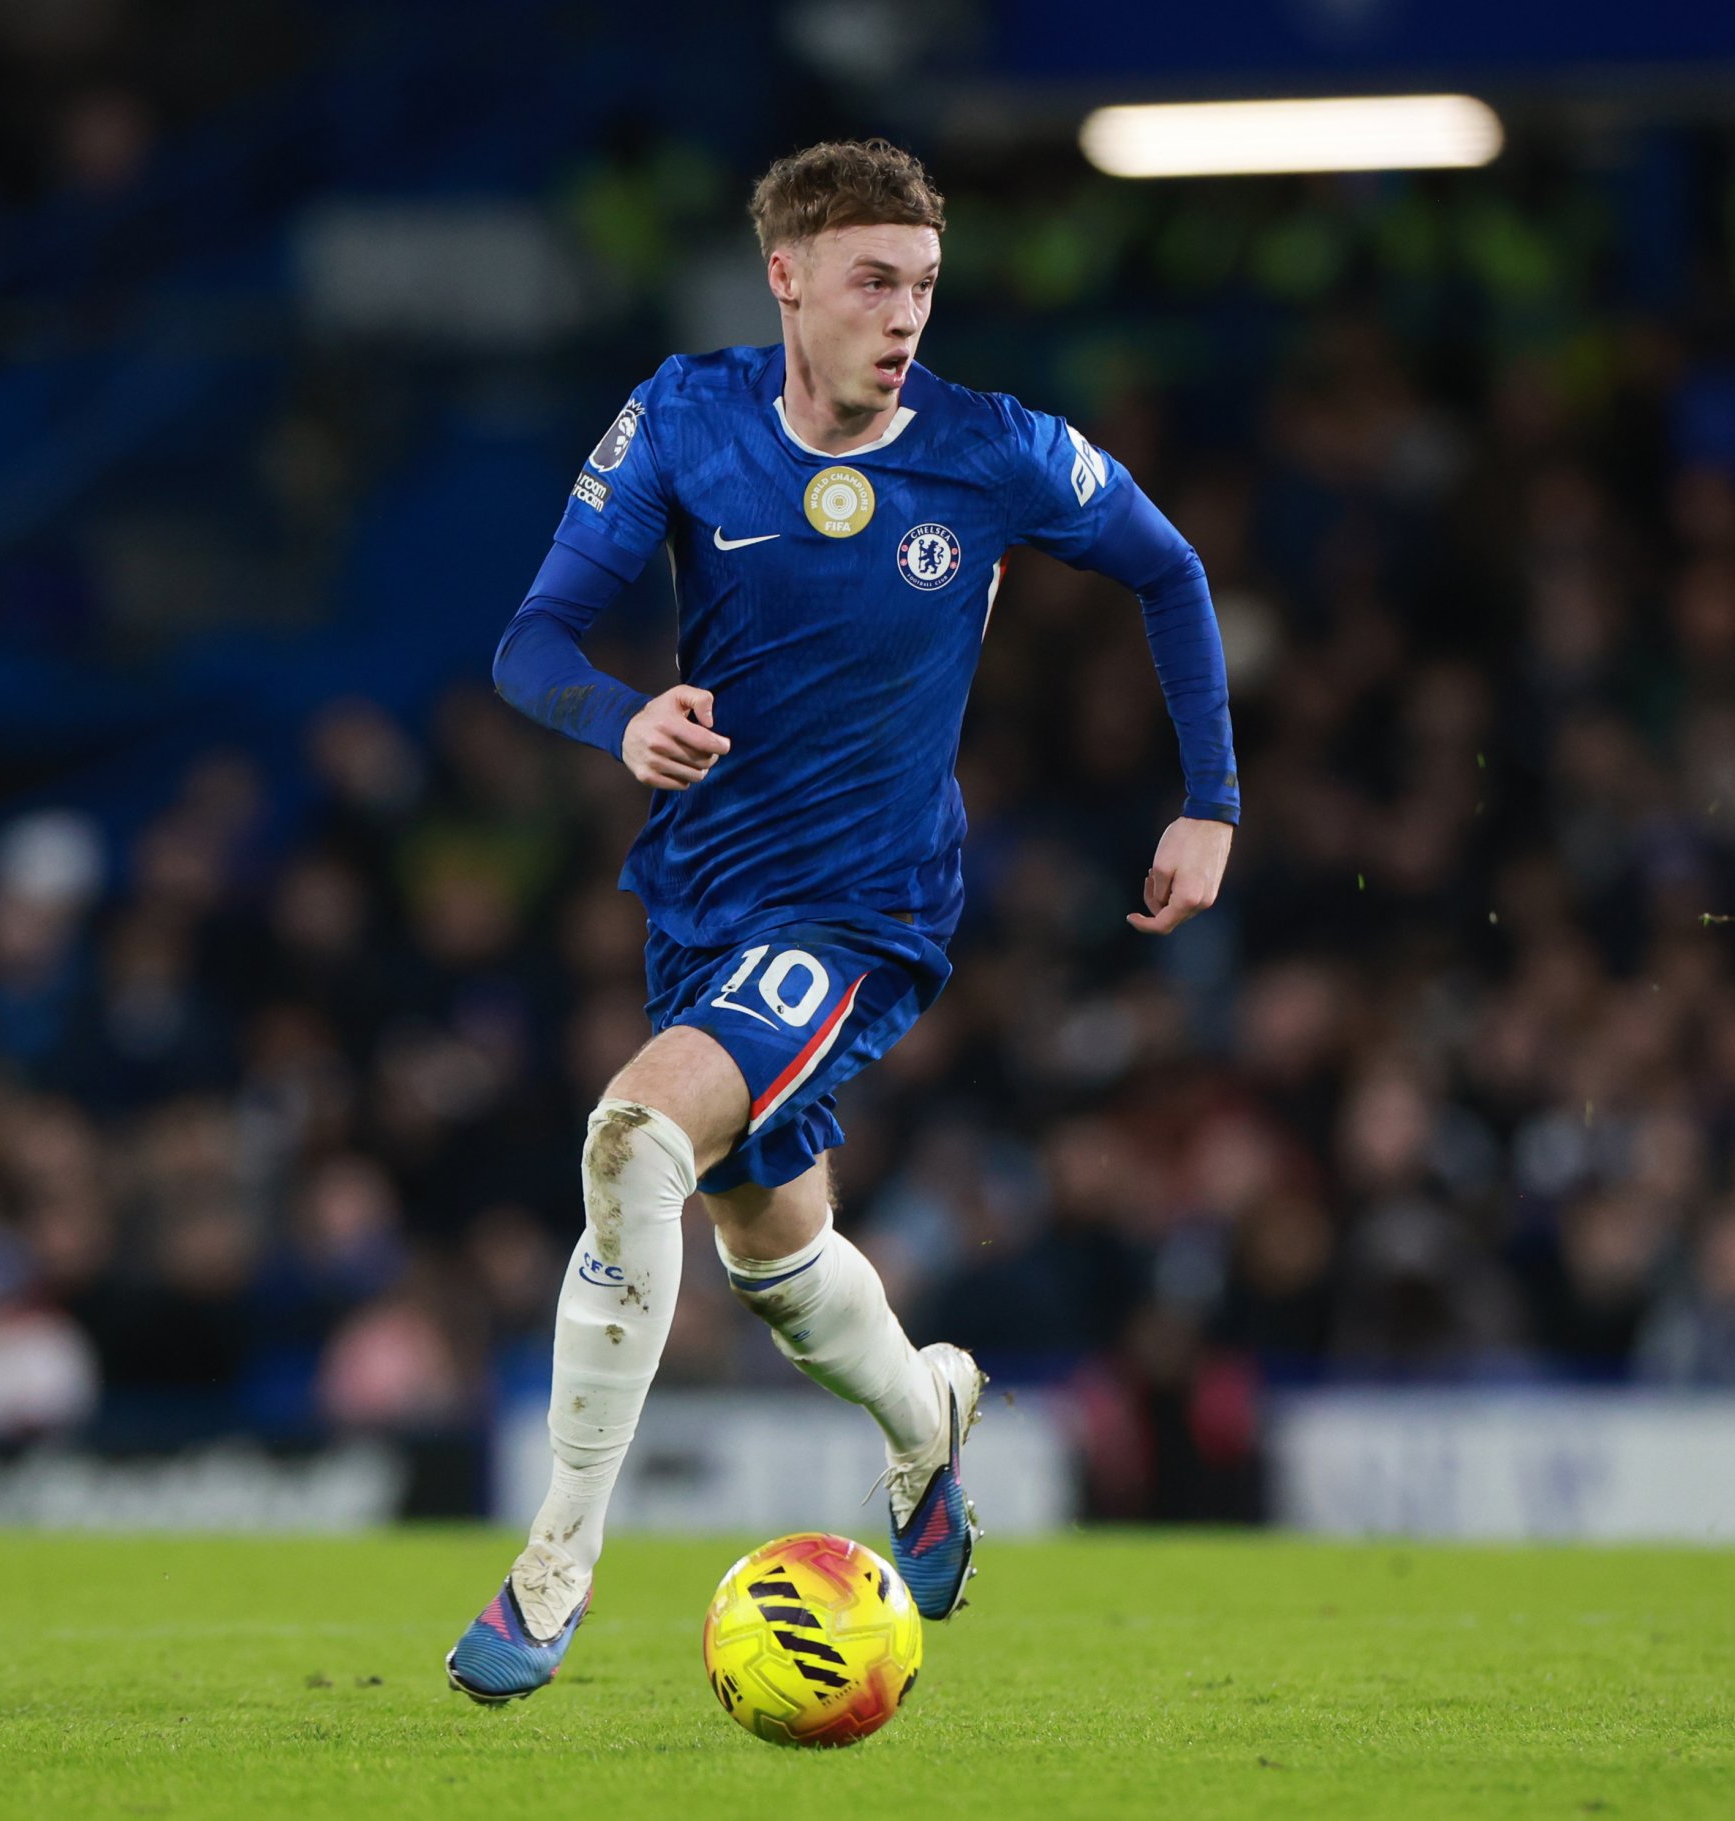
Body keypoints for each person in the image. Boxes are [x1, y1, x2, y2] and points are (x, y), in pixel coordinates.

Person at [447, 139, 1238, 1703]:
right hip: (703, 895)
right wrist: (617, 720)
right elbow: (528, 638)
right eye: (874, 281)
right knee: (772, 1250)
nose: (905, 317)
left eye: (925, 285)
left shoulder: (994, 449)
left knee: (632, 1135)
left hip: (865, 906)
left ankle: (552, 1568)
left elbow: (1172, 569)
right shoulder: (684, 414)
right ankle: (925, 1416)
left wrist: (1208, 798)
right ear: (788, 280)